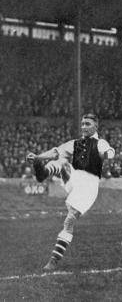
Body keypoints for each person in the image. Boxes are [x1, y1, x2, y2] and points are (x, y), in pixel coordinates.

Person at [26, 113, 115, 271]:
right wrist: (38, 157)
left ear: (96, 126)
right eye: (82, 124)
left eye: (87, 124)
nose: (83, 127)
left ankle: (53, 261)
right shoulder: (75, 143)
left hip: (88, 186)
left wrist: (106, 155)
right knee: (61, 161)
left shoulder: (99, 143)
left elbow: (109, 151)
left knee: (69, 221)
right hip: (74, 180)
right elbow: (55, 152)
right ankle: (42, 171)